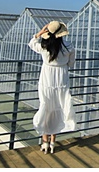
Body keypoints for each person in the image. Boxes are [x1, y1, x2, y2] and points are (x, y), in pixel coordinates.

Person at [29, 20, 76, 154]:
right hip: (61, 79)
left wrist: (39, 33)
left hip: (47, 79)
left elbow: (32, 43)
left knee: (46, 105)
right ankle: (53, 142)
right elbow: (71, 64)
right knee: (59, 106)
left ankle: (44, 142)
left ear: (48, 33)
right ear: (62, 33)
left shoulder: (44, 47)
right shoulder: (69, 47)